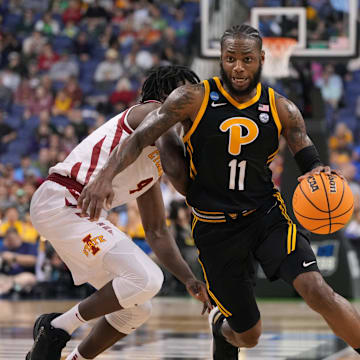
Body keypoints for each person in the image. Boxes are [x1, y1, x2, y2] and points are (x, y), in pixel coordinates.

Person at [78, 24, 360, 360]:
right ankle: (222, 330)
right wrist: (104, 176)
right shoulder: (191, 98)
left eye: (246, 59)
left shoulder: (281, 107)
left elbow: (306, 152)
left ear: (261, 60)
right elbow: (139, 136)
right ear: (221, 61)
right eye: (230, 59)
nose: (238, 66)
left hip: (265, 217)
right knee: (248, 335)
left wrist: (318, 172)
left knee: (317, 290)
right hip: (215, 229)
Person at [26, 65, 211, 360]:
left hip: (78, 214)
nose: (197, 100)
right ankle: (57, 327)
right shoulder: (149, 111)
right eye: (189, 92)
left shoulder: (152, 162)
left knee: (136, 308)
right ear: (166, 95)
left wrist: (189, 278)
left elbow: (156, 231)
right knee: (148, 279)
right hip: (61, 200)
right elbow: (179, 172)